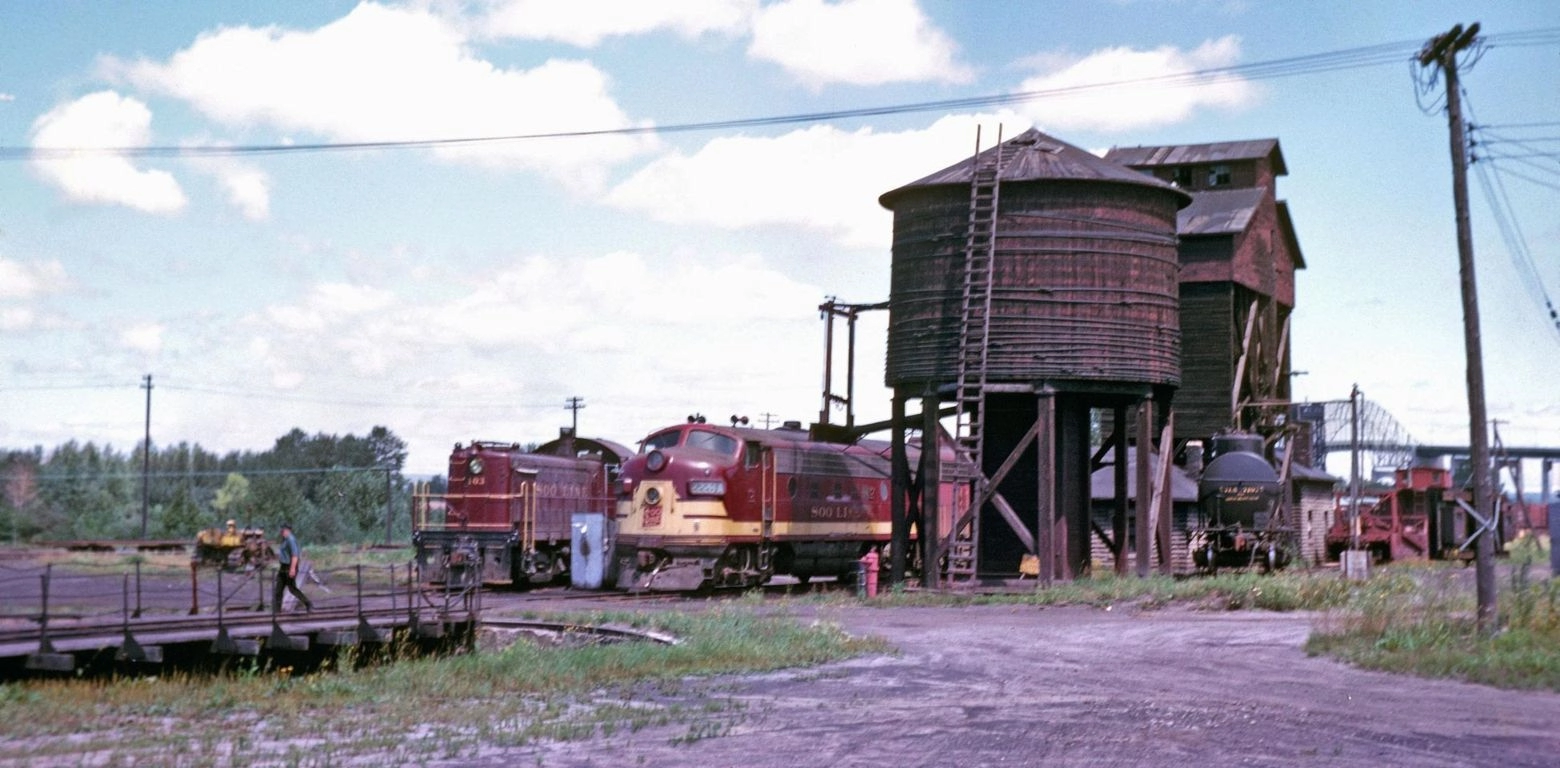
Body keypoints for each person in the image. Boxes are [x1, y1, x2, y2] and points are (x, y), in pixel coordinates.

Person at [273, 522, 314, 613]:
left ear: (288, 530)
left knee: (292, 589)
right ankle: (276, 612)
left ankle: (308, 604)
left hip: (289, 566)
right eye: (282, 530)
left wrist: (292, 569)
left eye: (283, 530)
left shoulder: (291, 539)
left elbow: (295, 555)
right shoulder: (285, 540)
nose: (282, 531)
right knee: (278, 590)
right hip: (283, 566)